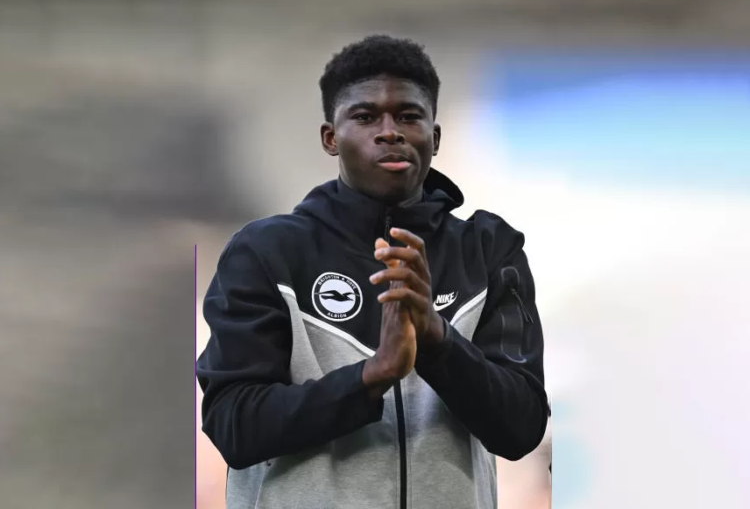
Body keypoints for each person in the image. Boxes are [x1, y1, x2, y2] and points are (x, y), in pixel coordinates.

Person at [196, 34, 550, 509]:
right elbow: (233, 425)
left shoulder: (489, 250)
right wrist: (370, 376)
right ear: (330, 138)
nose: (389, 132)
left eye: (408, 116)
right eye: (365, 117)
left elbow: (521, 429)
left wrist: (437, 340)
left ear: (435, 137)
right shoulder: (266, 252)